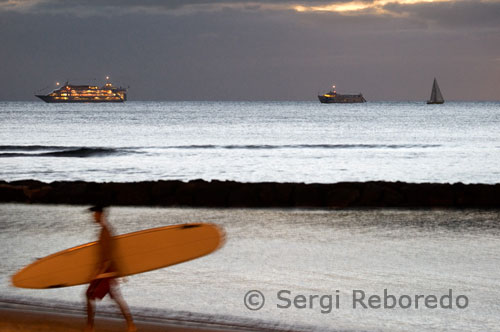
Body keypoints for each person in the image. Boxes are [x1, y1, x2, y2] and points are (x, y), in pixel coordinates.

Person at [85, 205, 136, 332]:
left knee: (89, 294)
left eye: (95, 214)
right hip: (107, 271)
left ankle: (90, 327)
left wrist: (98, 273)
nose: (93, 217)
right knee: (115, 297)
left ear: (101, 215)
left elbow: (108, 257)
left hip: (106, 271)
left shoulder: (106, 232)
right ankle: (130, 324)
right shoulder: (104, 230)